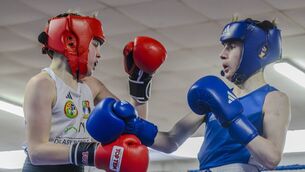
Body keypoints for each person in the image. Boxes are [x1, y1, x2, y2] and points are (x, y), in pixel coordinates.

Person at [110, 18, 291, 172]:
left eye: (231, 46)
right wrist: (134, 126)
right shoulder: (213, 96)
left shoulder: (274, 98)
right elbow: (170, 141)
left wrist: (233, 119)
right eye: (224, 47)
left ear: (260, 50)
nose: (222, 54)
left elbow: (272, 158)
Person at [22, 12, 166, 172]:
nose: (99, 54)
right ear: (72, 41)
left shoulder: (91, 86)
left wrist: (140, 81)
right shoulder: (43, 84)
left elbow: (133, 124)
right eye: (95, 44)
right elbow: (36, 151)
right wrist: (93, 153)